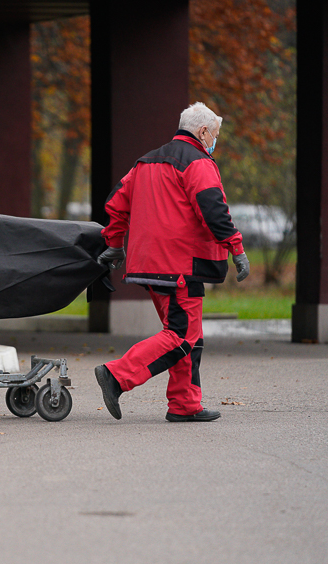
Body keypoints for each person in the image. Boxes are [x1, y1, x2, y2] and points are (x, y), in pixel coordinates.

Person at [94, 102, 250, 423]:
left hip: (149, 265)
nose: (214, 142)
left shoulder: (145, 162)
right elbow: (213, 210)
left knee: (187, 335)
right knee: (180, 336)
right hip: (181, 265)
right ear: (203, 131)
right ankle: (116, 375)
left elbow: (115, 204)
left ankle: (184, 405)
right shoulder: (198, 162)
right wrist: (236, 248)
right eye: (215, 135)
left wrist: (114, 245)